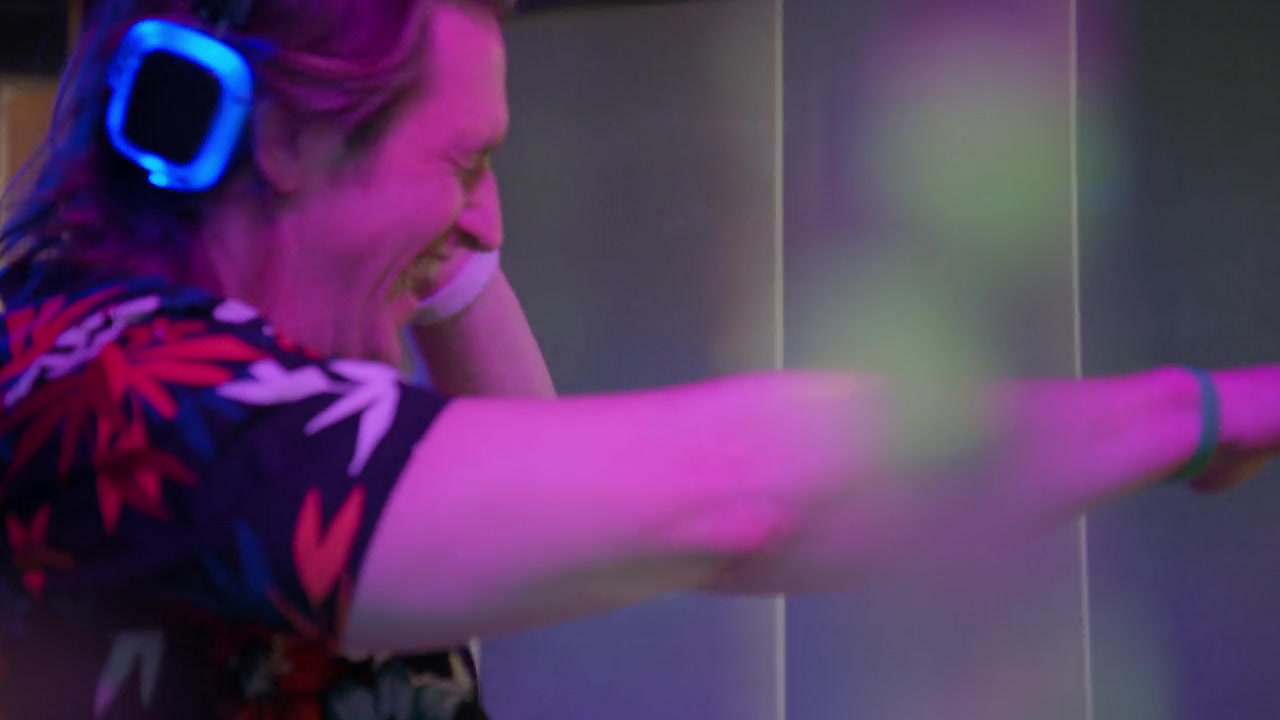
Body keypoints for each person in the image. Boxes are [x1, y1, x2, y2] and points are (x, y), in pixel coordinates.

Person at [0, 0, 1276, 718]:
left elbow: (572, 513)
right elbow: (733, 499)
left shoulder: (189, 371)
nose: (486, 221)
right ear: (276, 137)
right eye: (463, 161)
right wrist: (1208, 412)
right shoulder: (112, 396)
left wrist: (448, 259)